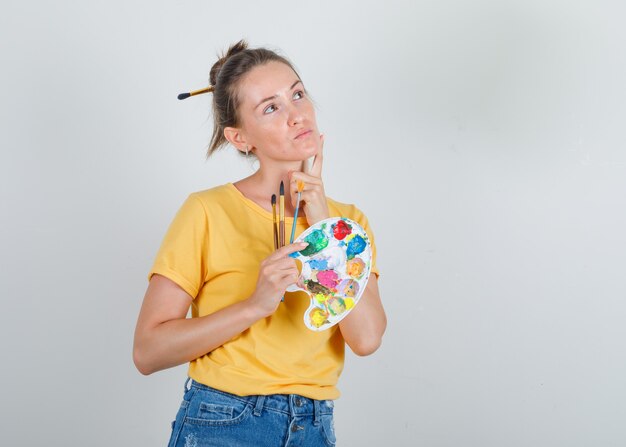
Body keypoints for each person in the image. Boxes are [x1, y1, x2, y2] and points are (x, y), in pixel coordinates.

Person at [132, 39, 387, 447]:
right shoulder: (206, 211)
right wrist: (255, 306)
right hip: (221, 421)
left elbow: (367, 338)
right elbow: (148, 351)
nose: (296, 115)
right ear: (239, 138)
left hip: (313, 426)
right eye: (271, 107)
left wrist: (322, 222)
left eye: (297, 94)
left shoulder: (348, 222)